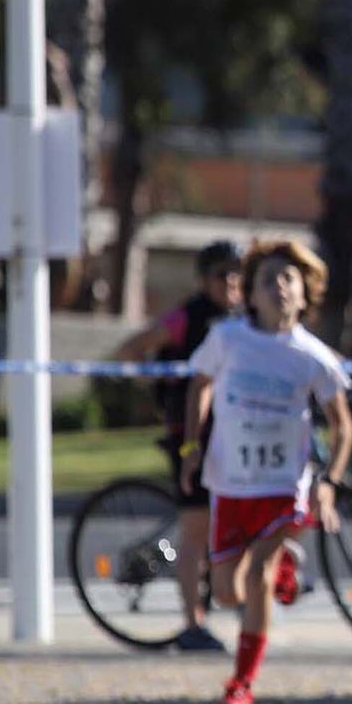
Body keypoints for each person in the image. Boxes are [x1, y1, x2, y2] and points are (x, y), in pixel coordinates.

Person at [178, 240, 352, 704]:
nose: (279, 286)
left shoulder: (312, 357)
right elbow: (200, 385)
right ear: (249, 294)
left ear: (304, 295)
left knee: (254, 580)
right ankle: (284, 572)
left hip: (283, 486)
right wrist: (191, 448)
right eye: (268, 279)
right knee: (228, 592)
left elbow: (344, 426)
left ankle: (241, 688)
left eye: (289, 279)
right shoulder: (228, 340)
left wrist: (329, 483)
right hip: (231, 484)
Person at [114, 239, 244, 651]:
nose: (233, 282)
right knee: (194, 529)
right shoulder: (188, 318)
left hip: (234, 436)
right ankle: (192, 623)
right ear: (205, 279)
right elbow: (131, 349)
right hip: (192, 438)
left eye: (239, 273)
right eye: (223, 274)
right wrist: (154, 390)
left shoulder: (244, 317)